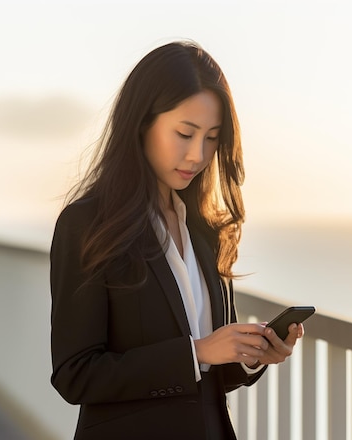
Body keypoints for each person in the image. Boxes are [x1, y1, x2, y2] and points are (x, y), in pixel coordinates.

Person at [49, 40, 304, 440]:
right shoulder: (87, 224)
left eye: (211, 138)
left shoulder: (204, 229)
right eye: (184, 134)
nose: (196, 155)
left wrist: (252, 355)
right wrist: (196, 351)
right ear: (141, 123)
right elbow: (76, 374)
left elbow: (208, 374)